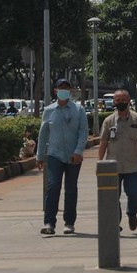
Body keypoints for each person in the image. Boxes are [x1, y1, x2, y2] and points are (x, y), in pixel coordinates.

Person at [36, 78, 89, 235]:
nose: (64, 90)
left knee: (71, 189)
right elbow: (43, 133)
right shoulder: (49, 110)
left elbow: (83, 132)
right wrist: (39, 155)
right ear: (55, 91)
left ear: (71, 91)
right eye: (61, 88)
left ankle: (69, 223)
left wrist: (78, 151)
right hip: (54, 154)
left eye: (67, 88)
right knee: (53, 187)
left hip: (74, 155)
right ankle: (49, 223)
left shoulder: (79, 110)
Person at [98, 89, 137, 231]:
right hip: (112, 165)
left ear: (128, 101)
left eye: (123, 100)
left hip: (132, 166)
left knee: (134, 194)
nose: (120, 103)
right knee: (112, 196)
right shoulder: (108, 121)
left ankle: (132, 214)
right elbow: (103, 143)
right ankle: (116, 222)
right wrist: (100, 163)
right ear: (114, 102)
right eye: (118, 100)